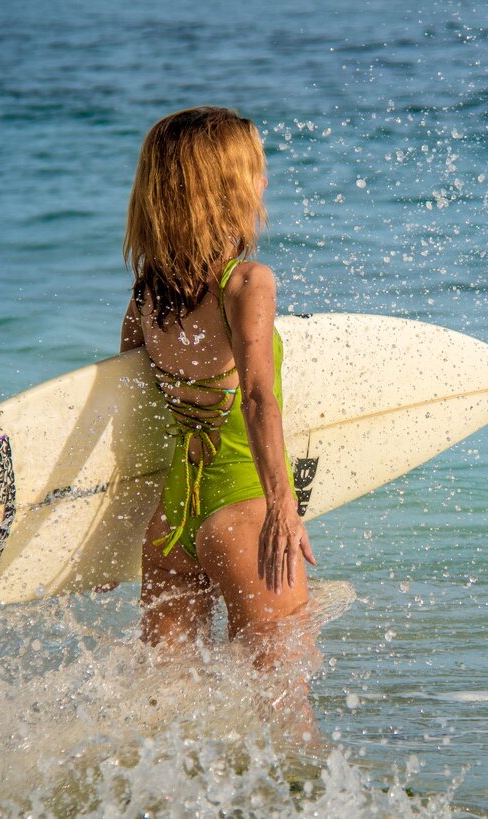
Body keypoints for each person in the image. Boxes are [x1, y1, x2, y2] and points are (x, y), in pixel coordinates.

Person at [118, 107, 317, 671]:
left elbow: (127, 407)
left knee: (168, 711)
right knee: (288, 723)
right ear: (225, 188)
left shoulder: (146, 299)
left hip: (171, 524)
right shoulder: (248, 283)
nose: (266, 182)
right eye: (256, 169)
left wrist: (100, 538)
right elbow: (257, 397)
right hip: (244, 512)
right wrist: (283, 505)